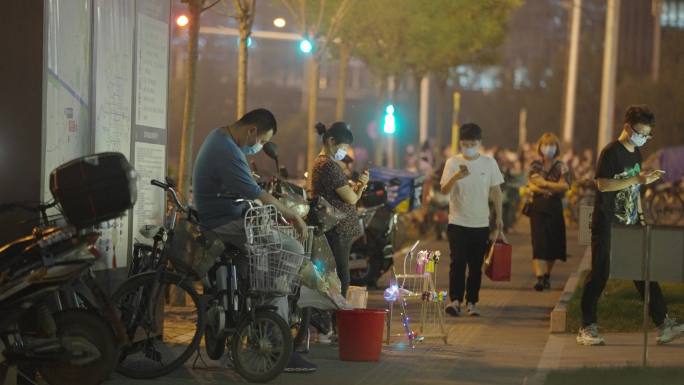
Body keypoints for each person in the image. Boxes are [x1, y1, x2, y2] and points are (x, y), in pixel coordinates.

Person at [192, 108, 316, 372]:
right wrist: (292, 214)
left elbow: (245, 187)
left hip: (227, 217)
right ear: (251, 131)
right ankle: (273, 329)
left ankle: (264, 315)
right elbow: (254, 191)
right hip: (224, 224)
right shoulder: (226, 149)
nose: (258, 148)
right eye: (260, 141)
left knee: (268, 252)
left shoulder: (219, 138)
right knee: (290, 249)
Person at [577, 105, 684, 346]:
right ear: (627, 127)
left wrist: (642, 216)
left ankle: (663, 324)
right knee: (600, 274)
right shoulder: (611, 153)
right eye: (640, 133)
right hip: (607, 224)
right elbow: (603, 185)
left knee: (644, 273)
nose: (643, 138)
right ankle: (586, 326)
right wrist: (636, 178)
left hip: (630, 223)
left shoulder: (635, 154)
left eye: (647, 135)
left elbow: (634, 190)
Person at [440, 123, 505, 317]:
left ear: (479, 142)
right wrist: (456, 177)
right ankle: (455, 300)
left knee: (476, 266)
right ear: (460, 143)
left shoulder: (489, 163)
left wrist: (499, 218)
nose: (468, 146)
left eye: (472, 143)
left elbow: (496, 192)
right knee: (457, 262)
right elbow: (444, 190)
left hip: (480, 223)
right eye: (465, 143)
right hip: (457, 222)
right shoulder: (452, 163)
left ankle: (472, 302)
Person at [311, 122, 369, 298]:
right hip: (337, 229)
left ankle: (336, 316)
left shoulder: (326, 164)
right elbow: (351, 198)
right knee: (341, 275)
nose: (345, 151)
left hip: (339, 229)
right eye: (344, 147)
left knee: (340, 273)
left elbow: (352, 197)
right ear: (331, 141)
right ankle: (337, 317)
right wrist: (361, 185)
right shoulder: (327, 166)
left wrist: (359, 187)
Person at [526, 133, 570, 291]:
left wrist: (544, 184)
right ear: (540, 147)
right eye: (545, 145)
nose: (548, 148)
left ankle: (547, 276)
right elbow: (532, 184)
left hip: (554, 208)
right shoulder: (535, 165)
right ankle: (539, 277)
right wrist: (553, 185)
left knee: (553, 245)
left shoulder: (562, 166)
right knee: (538, 243)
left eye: (551, 145)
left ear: (556, 147)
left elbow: (565, 186)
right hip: (538, 208)